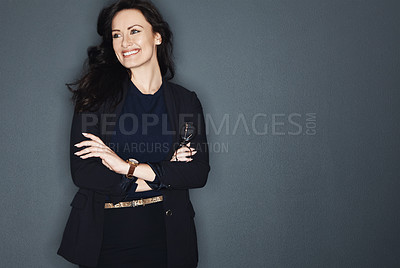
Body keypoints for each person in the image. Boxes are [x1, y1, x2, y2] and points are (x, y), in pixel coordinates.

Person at [57, 0, 210, 267]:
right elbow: (83, 171)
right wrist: (159, 173)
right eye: (117, 35)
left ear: (157, 36)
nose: (125, 42)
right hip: (108, 240)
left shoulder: (185, 101)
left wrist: (124, 167)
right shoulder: (96, 98)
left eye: (134, 31)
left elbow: (197, 172)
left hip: (168, 239)